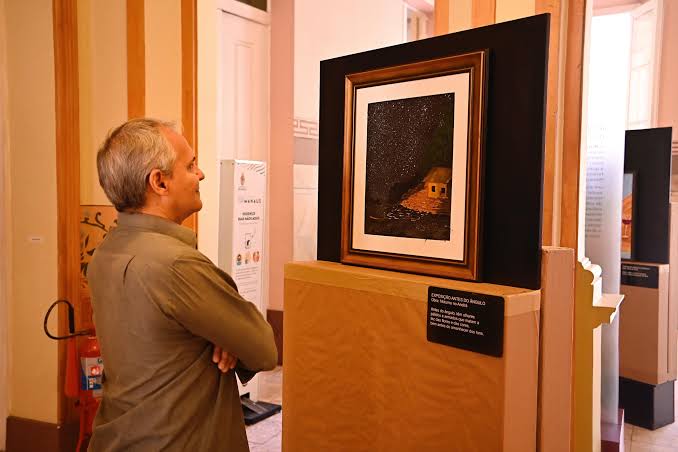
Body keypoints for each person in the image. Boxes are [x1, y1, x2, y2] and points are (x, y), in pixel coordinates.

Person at [87, 118, 277, 451]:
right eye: (190, 166)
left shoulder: (107, 250)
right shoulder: (177, 264)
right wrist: (226, 338)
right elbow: (263, 349)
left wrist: (222, 337)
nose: (200, 174)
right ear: (159, 182)